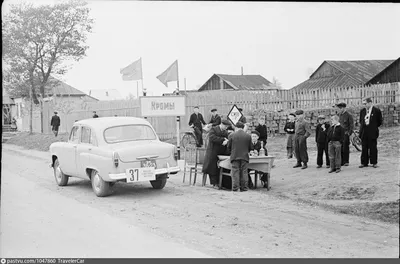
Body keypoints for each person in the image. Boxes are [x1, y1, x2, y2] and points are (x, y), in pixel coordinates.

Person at [202, 119, 231, 188]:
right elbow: (212, 138)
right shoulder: (214, 129)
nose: (226, 128)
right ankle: (214, 183)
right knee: (212, 168)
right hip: (212, 152)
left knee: (221, 167)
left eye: (227, 127)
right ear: (222, 124)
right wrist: (222, 140)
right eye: (225, 126)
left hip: (221, 152)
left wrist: (226, 141)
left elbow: (226, 139)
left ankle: (222, 183)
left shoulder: (225, 132)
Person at [227, 121, 252, 192]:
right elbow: (250, 147)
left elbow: (228, 147)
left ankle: (235, 188)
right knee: (244, 172)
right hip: (244, 156)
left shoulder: (231, 135)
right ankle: (244, 188)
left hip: (235, 156)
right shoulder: (248, 136)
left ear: (236, 127)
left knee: (235, 172)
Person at [359, 97, 383, 168]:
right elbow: (361, 121)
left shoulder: (376, 110)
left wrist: (373, 126)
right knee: (364, 147)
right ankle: (364, 162)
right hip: (364, 131)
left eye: (365, 103)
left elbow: (379, 121)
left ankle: (374, 162)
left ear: (370, 103)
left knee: (373, 147)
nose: (364, 105)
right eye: (363, 104)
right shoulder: (362, 111)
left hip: (372, 131)